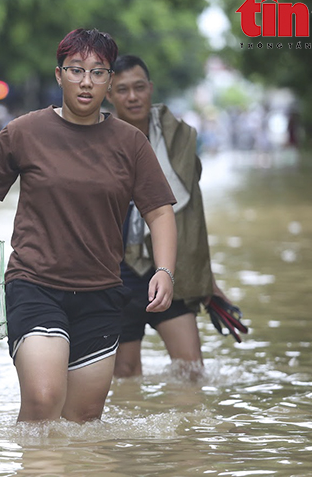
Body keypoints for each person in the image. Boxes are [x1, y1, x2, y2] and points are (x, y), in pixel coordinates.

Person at [0, 29, 178, 423]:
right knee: (43, 398)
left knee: (83, 420)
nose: (86, 81)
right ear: (58, 75)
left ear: (109, 82)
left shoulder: (130, 143)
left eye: (98, 73)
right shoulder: (24, 131)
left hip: (100, 293)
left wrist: (165, 270)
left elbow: (160, 211)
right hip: (35, 285)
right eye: (76, 70)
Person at [106, 54, 234, 380]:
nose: (132, 97)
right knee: (125, 373)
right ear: (109, 94)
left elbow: (193, 214)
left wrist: (206, 279)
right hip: (117, 271)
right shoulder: (97, 140)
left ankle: (186, 432)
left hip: (168, 267)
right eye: (122, 90)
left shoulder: (180, 139)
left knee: (192, 371)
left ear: (150, 89)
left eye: (138, 88)